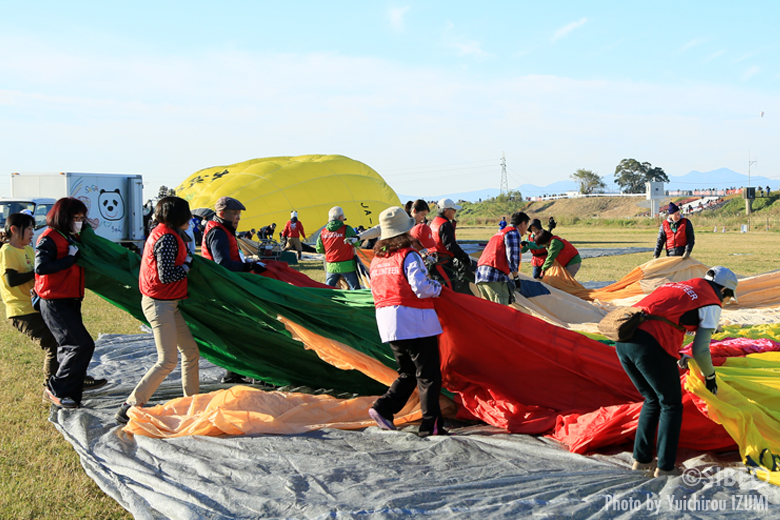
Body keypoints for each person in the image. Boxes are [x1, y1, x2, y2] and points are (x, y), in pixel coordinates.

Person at [616, 267, 737, 477]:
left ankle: (641, 460)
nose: (725, 302)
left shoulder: (679, 286)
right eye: (727, 297)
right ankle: (665, 466)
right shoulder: (711, 302)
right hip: (650, 346)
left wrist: (675, 354)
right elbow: (700, 350)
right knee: (670, 404)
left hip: (623, 341)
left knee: (652, 399)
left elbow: (661, 317)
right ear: (724, 290)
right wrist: (710, 377)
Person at [115, 197, 200, 424]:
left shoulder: (163, 232)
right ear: (176, 216)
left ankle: (191, 404)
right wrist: (187, 265)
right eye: (186, 214)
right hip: (159, 303)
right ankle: (130, 405)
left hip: (167, 302)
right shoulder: (167, 238)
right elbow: (167, 275)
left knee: (191, 352)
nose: (190, 218)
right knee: (167, 360)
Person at [1, 212, 106, 393]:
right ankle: (51, 388)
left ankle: (74, 379)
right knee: (53, 345)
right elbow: (11, 280)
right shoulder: (7, 251)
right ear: (14, 230)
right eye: (29, 229)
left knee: (65, 341)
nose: (32, 233)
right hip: (21, 311)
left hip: (36, 306)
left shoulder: (27, 250)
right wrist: (38, 272)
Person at [367, 206, 446, 437]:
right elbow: (421, 287)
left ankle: (383, 408)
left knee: (408, 372)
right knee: (428, 375)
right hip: (415, 321)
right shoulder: (408, 255)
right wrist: (438, 288)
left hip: (388, 323)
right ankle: (430, 424)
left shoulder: (377, 260)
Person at [35, 198, 99, 408]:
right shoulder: (49, 238)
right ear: (63, 217)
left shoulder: (70, 236)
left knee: (67, 347)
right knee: (80, 345)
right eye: (76, 218)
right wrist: (69, 259)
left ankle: (70, 390)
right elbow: (41, 267)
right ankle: (57, 389)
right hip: (54, 301)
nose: (79, 222)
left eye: (82, 218)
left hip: (70, 299)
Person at [201, 196, 266, 384]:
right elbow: (222, 264)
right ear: (222, 214)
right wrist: (249, 267)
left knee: (239, 331)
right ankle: (257, 373)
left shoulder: (224, 230)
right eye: (234, 214)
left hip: (227, 286)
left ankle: (234, 373)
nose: (238, 217)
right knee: (247, 329)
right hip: (224, 288)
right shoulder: (218, 232)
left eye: (239, 214)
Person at [475, 211, 528, 305]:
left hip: (481, 275)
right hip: (494, 276)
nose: (527, 230)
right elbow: (513, 256)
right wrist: (516, 278)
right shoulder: (513, 233)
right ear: (523, 224)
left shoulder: (501, 232)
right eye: (527, 226)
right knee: (502, 312)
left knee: (491, 312)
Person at [428, 198, 473, 294]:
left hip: (434, 262)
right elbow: (451, 246)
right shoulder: (445, 224)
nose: (455, 212)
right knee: (448, 291)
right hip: (442, 263)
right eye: (453, 210)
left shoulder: (434, 222)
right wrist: (464, 258)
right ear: (446, 210)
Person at [315, 206, 360, 289]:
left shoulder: (323, 231)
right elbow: (357, 243)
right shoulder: (346, 228)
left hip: (331, 266)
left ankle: (325, 301)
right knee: (355, 289)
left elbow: (319, 249)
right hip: (347, 265)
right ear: (340, 217)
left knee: (328, 289)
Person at [358, 199, 430, 245]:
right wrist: (359, 237)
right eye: (422, 215)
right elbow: (378, 229)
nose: (423, 218)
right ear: (414, 211)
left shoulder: (419, 227)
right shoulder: (399, 220)